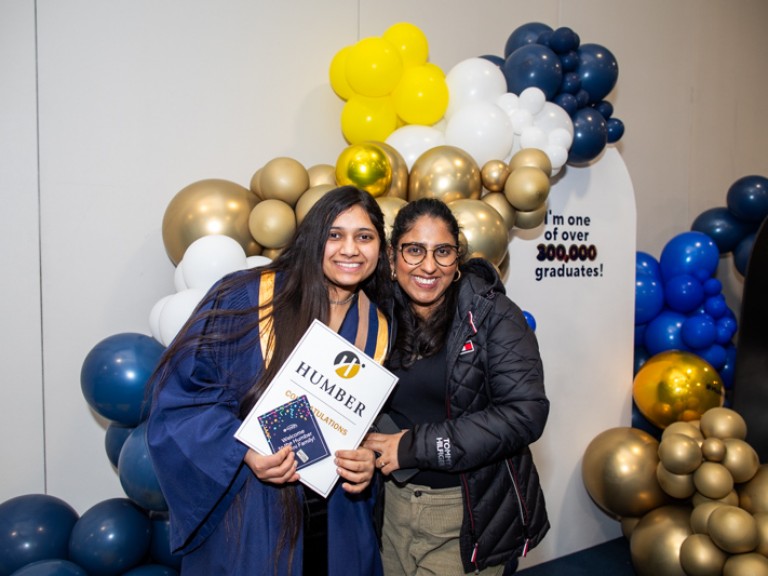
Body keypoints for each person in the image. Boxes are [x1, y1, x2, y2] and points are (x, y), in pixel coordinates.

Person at [147, 186, 392, 576]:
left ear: (380, 247)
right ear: (313, 238)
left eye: (364, 236)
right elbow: (182, 398)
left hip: (338, 520)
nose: (350, 249)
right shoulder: (246, 298)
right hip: (252, 516)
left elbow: (369, 424)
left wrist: (368, 459)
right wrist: (243, 450)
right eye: (334, 234)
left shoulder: (377, 325)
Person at [364, 198, 550, 575]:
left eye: (443, 252)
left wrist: (414, 447)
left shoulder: (493, 314)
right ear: (391, 256)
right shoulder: (375, 313)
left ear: (458, 260)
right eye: (414, 250)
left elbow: (525, 414)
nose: (428, 266)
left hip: (466, 514)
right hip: (390, 509)